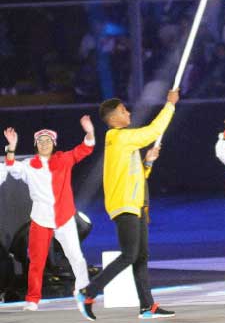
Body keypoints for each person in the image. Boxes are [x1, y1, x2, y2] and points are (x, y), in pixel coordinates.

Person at [76, 88, 179, 321]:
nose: (128, 112)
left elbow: (138, 177)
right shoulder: (119, 137)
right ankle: (88, 292)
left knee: (140, 256)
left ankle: (147, 307)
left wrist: (148, 163)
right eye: (124, 110)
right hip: (125, 204)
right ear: (113, 118)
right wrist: (170, 104)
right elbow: (154, 130)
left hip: (135, 203)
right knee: (129, 255)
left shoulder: (124, 142)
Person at [3, 116, 95, 311]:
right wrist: (12, 146)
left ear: (54, 144)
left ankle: (83, 290)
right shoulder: (29, 165)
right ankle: (33, 299)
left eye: (48, 141)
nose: (44, 144)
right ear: (36, 145)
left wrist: (89, 132)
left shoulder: (64, 159)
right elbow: (11, 166)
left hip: (64, 216)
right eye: (40, 141)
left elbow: (85, 149)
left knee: (76, 256)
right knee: (37, 261)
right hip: (41, 218)